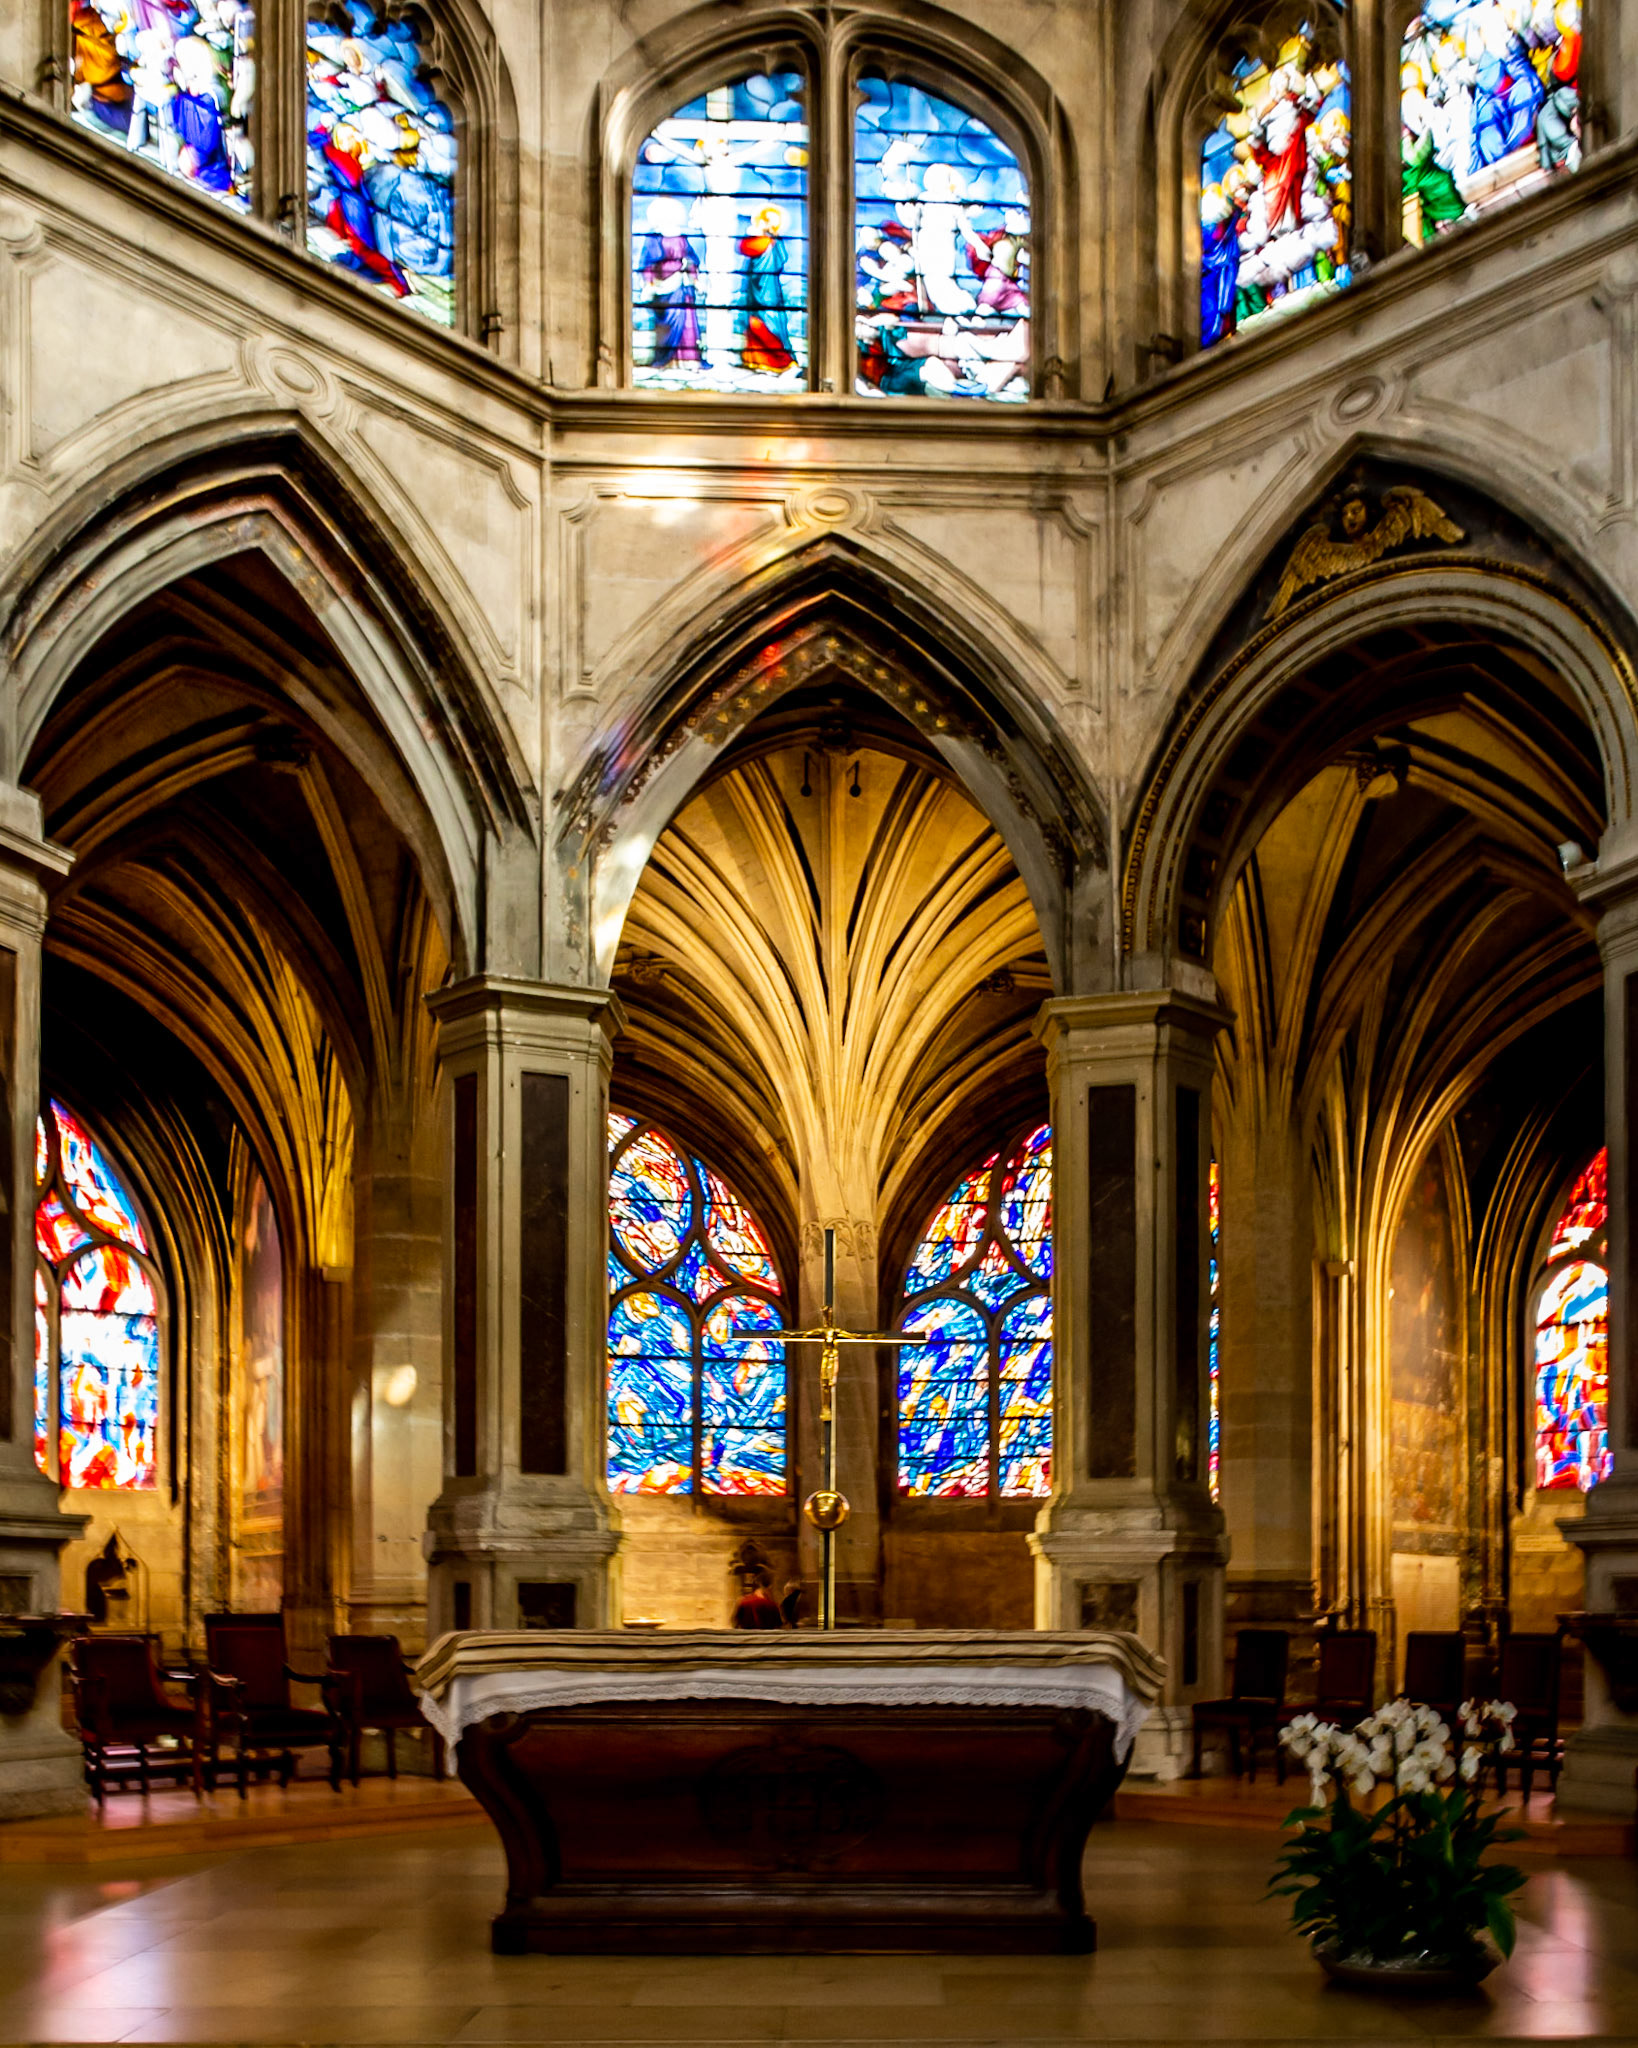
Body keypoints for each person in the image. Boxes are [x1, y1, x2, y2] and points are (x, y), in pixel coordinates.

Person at [637, 196, 702, 372]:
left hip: (681, 286)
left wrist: (694, 278)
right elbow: (647, 263)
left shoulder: (681, 236)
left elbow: (690, 258)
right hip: (662, 288)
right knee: (667, 324)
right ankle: (668, 360)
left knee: (686, 320)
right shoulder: (654, 237)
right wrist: (649, 284)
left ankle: (688, 361)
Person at [737, 204, 794, 374]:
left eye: (762, 221)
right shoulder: (770, 242)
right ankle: (760, 361)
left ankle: (783, 362)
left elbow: (745, 247)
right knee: (755, 322)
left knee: (766, 324)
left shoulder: (766, 242)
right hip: (758, 288)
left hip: (766, 291)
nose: (758, 224)